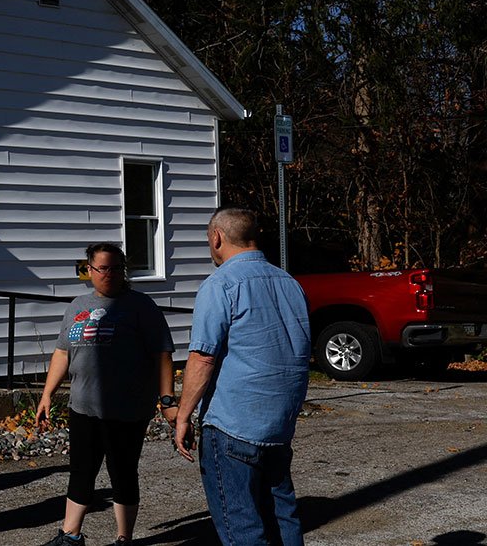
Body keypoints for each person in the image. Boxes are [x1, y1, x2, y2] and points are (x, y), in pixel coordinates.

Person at [174, 208, 311, 546]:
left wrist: (183, 415)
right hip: (279, 425)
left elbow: (203, 357)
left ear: (216, 238)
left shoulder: (220, 285)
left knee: (242, 527)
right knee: (283, 518)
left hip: (233, 424)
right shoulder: (291, 284)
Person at [35, 243, 176, 546]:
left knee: (122, 472)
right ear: (89, 270)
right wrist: (47, 395)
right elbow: (62, 353)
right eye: (101, 268)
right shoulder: (76, 306)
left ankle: (123, 538)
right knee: (81, 471)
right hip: (83, 406)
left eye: (115, 268)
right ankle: (71, 535)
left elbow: (162, 353)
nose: (108, 274)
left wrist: (166, 400)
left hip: (126, 409)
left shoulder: (141, 306)